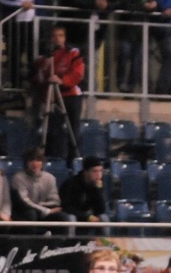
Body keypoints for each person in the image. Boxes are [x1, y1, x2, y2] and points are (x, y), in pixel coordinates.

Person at [35, 24, 85, 161]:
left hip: (72, 96)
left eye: (60, 36)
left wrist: (62, 80)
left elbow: (78, 74)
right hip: (53, 98)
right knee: (54, 131)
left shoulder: (73, 53)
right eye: (54, 36)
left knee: (73, 130)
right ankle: (55, 160)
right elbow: (39, 78)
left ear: (65, 38)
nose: (57, 39)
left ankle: (74, 160)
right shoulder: (44, 58)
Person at [11, 147, 69, 222]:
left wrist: (40, 205)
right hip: (24, 210)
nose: (35, 164)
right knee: (31, 214)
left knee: (64, 217)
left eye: (38, 160)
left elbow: (55, 201)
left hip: (44, 209)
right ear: (26, 163)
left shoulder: (50, 178)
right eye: (31, 160)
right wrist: (46, 210)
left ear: (42, 163)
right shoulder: (18, 177)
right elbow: (24, 202)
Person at [60, 157, 108, 225]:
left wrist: (98, 190)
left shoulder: (97, 185)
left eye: (100, 171)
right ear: (86, 172)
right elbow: (66, 207)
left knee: (103, 217)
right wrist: (87, 217)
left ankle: (105, 233)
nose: (98, 175)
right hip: (74, 215)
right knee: (71, 218)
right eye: (94, 171)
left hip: (89, 216)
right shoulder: (70, 183)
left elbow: (101, 210)